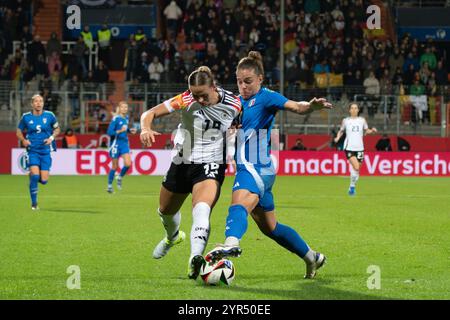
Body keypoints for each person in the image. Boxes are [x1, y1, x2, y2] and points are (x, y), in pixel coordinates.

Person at [205, 51, 332, 279]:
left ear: (260, 79)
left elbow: (296, 106)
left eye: (248, 81)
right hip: (255, 169)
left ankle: (230, 243)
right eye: (239, 81)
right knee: (271, 228)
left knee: (238, 204)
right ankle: (312, 257)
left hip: (256, 168)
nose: (243, 86)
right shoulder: (237, 102)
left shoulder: (266, 97)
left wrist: (310, 106)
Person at [139, 66, 241, 280]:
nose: (199, 100)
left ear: (213, 86)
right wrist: (145, 128)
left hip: (211, 162)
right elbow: (150, 113)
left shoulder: (234, 103)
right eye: (195, 95)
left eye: (203, 95)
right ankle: (172, 237)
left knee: (202, 209)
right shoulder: (185, 99)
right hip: (182, 159)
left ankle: (195, 259)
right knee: (165, 210)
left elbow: (240, 124)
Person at [16, 94, 60, 210]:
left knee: (44, 180)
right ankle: (34, 204)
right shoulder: (26, 117)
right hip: (33, 150)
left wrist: (51, 138)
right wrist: (23, 140)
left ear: (43, 103)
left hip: (45, 151)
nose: (38, 103)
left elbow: (57, 129)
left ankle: (33, 178)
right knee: (35, 176)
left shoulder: (50, 115)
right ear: (32, 104)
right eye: (36, 101)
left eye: (41, 101)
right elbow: (18, 131)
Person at [333, 103, 377, 196]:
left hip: (360, 148)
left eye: (355, 108)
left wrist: (371, 131)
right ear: (349, 110)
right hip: (349, 147)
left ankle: (351, 186)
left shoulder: (362, 120)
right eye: (352, 108)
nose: (353, 110)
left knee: (356, 171)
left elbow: (366, 130)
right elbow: (341, 130)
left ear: (358, 110)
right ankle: (352, 187)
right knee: (356, 167)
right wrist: (337, 137)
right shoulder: (345, 121)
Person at [106, 101, 137, 193]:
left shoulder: (126, 118)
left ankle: (119, 177)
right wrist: (120, 131)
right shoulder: (115, 119)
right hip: (115, 144)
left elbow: (125, 129)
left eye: (126, 107)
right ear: (119, 108)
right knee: (114, 166)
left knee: (128, 164)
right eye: (123, 107)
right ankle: (109, 186)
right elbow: (109, 132)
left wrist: (129, 130)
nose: (125, 109)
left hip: (124, 144)